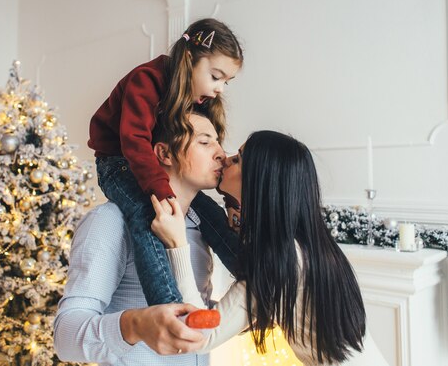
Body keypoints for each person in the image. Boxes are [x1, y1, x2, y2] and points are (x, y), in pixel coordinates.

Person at [151, 131, 391, 366]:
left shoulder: (281, 259)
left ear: (259, 179)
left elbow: (202, 336)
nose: (226, 158)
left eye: (238, 159)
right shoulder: (306, 244)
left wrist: (177, 244)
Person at [88, 18, 244, 306]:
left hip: (154, 166)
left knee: (209, 213)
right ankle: (169, 303)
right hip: (118, 162)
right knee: (148, 213)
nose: (220, 88)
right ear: (189, 59)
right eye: (216, 76)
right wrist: (161, 192)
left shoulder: (197, 98)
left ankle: (256, 278)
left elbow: (201, 156)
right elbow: (134, 140)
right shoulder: (146, 80)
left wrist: (232, 200)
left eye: (226, 81)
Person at [54, 112, 231, 365]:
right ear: (164, 154)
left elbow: (192, 310)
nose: (221, 154)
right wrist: (136, 325)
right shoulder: (110, 221)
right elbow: (65, 337)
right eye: (205, 142)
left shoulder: (201, 227)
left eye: (218, 141)